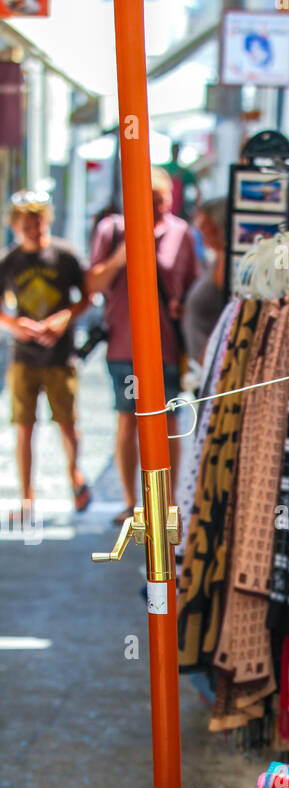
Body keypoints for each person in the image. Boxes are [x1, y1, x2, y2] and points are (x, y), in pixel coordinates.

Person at [87, 166, 197, 523]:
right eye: (150, 202)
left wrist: (184, 306)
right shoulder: (112, 229)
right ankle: (131, 502)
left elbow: (194, 286)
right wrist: (126, 249)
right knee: (127, 421)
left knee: (168, 424)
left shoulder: (181, 233)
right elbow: (94, 283)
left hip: (165, 347)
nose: (157, 209)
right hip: (124, 345)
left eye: (162, 201)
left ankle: (165, 504)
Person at [0, 189, 92, 515]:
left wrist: (63, 318)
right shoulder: (9, 261)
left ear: (46, 222)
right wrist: (15, 324)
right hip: (24, 356)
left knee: (67, 422)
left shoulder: (65, 255)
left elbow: (86, 296)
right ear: (15, 226)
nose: (34, 230)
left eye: (38, 223)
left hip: (60, 355)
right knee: (24, 427)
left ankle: (74, 474)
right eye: (27, 225)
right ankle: (27, 498)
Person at [183, 197, 227, 368]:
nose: (199, 231)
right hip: (204, 364)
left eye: (204, 225)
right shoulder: (216, 259)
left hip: (212, 365)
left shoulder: (224, 264)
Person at [162, 142, 198, 221]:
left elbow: (197, 190)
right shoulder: (164, 168)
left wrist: (195, 206)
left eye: (176, 150)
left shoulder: (185, 172)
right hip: (166, 209)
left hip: (179, 208)